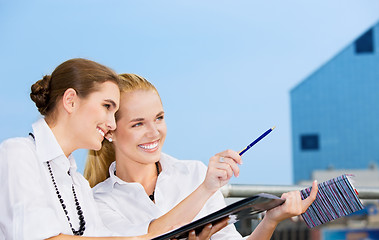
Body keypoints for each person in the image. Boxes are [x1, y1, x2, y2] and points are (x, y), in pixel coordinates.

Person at [0, 59, 227, 240]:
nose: (111, 123)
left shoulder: (77, 184)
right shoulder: (18, 154)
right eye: (106, 107)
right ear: (70, 101)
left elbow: (141, 234)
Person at [85, 73, 318, 239]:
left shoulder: (193, 174)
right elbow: (147, 235)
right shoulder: (97, 201)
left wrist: (271, 219)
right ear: (109, 131)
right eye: (138, 124)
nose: (154, 132)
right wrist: (206, 189)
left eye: (159, 118)